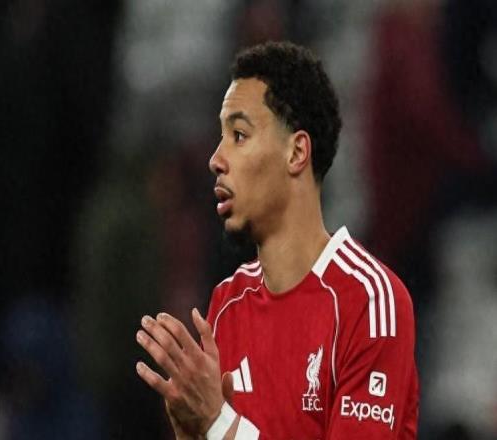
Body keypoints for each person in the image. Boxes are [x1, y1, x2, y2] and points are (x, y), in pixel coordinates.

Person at [135, 41, 419, 439]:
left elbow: (225, 429)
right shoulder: (227, 304)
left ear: (297, 152)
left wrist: (217, 423)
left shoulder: (369, 302)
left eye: (238, 135)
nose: (216, 159)